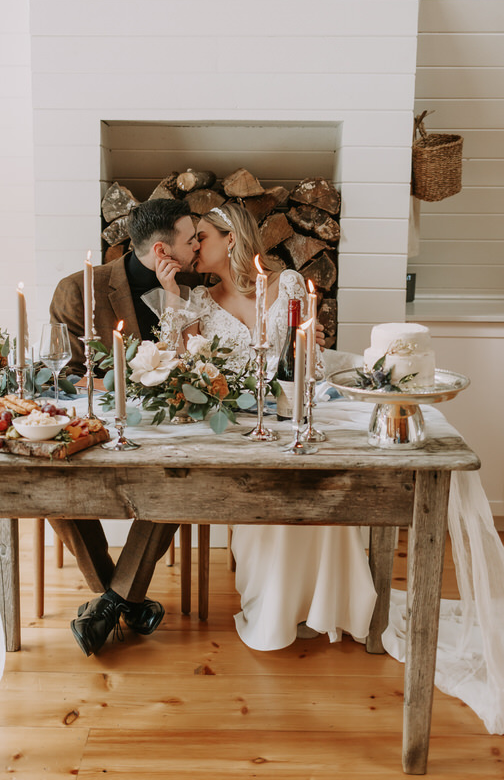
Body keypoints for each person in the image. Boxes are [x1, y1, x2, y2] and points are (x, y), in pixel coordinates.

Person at [184, 202, 378, 649]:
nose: (195, 245)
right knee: (265, 491)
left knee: (319, 481)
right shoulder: (198, 302)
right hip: (241, 423)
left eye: (202, 237)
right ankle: (276, 606)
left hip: (294, 412)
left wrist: (314, 343)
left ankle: (328, 602)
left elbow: (303, 353)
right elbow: (185, 365)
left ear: (230, 238)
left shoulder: (288, 283)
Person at [48, 198, 200, 657]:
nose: (198, 246)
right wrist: (127, 378)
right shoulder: (77, 290)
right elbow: (63, 376)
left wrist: (173, 303)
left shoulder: (187, 291)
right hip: (93, 424)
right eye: (192, 239)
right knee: (50, 481)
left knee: (180, 476)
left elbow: (190, 369)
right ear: (161, 249)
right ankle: (125, 600)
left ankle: (109, 603)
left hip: (164, 430)